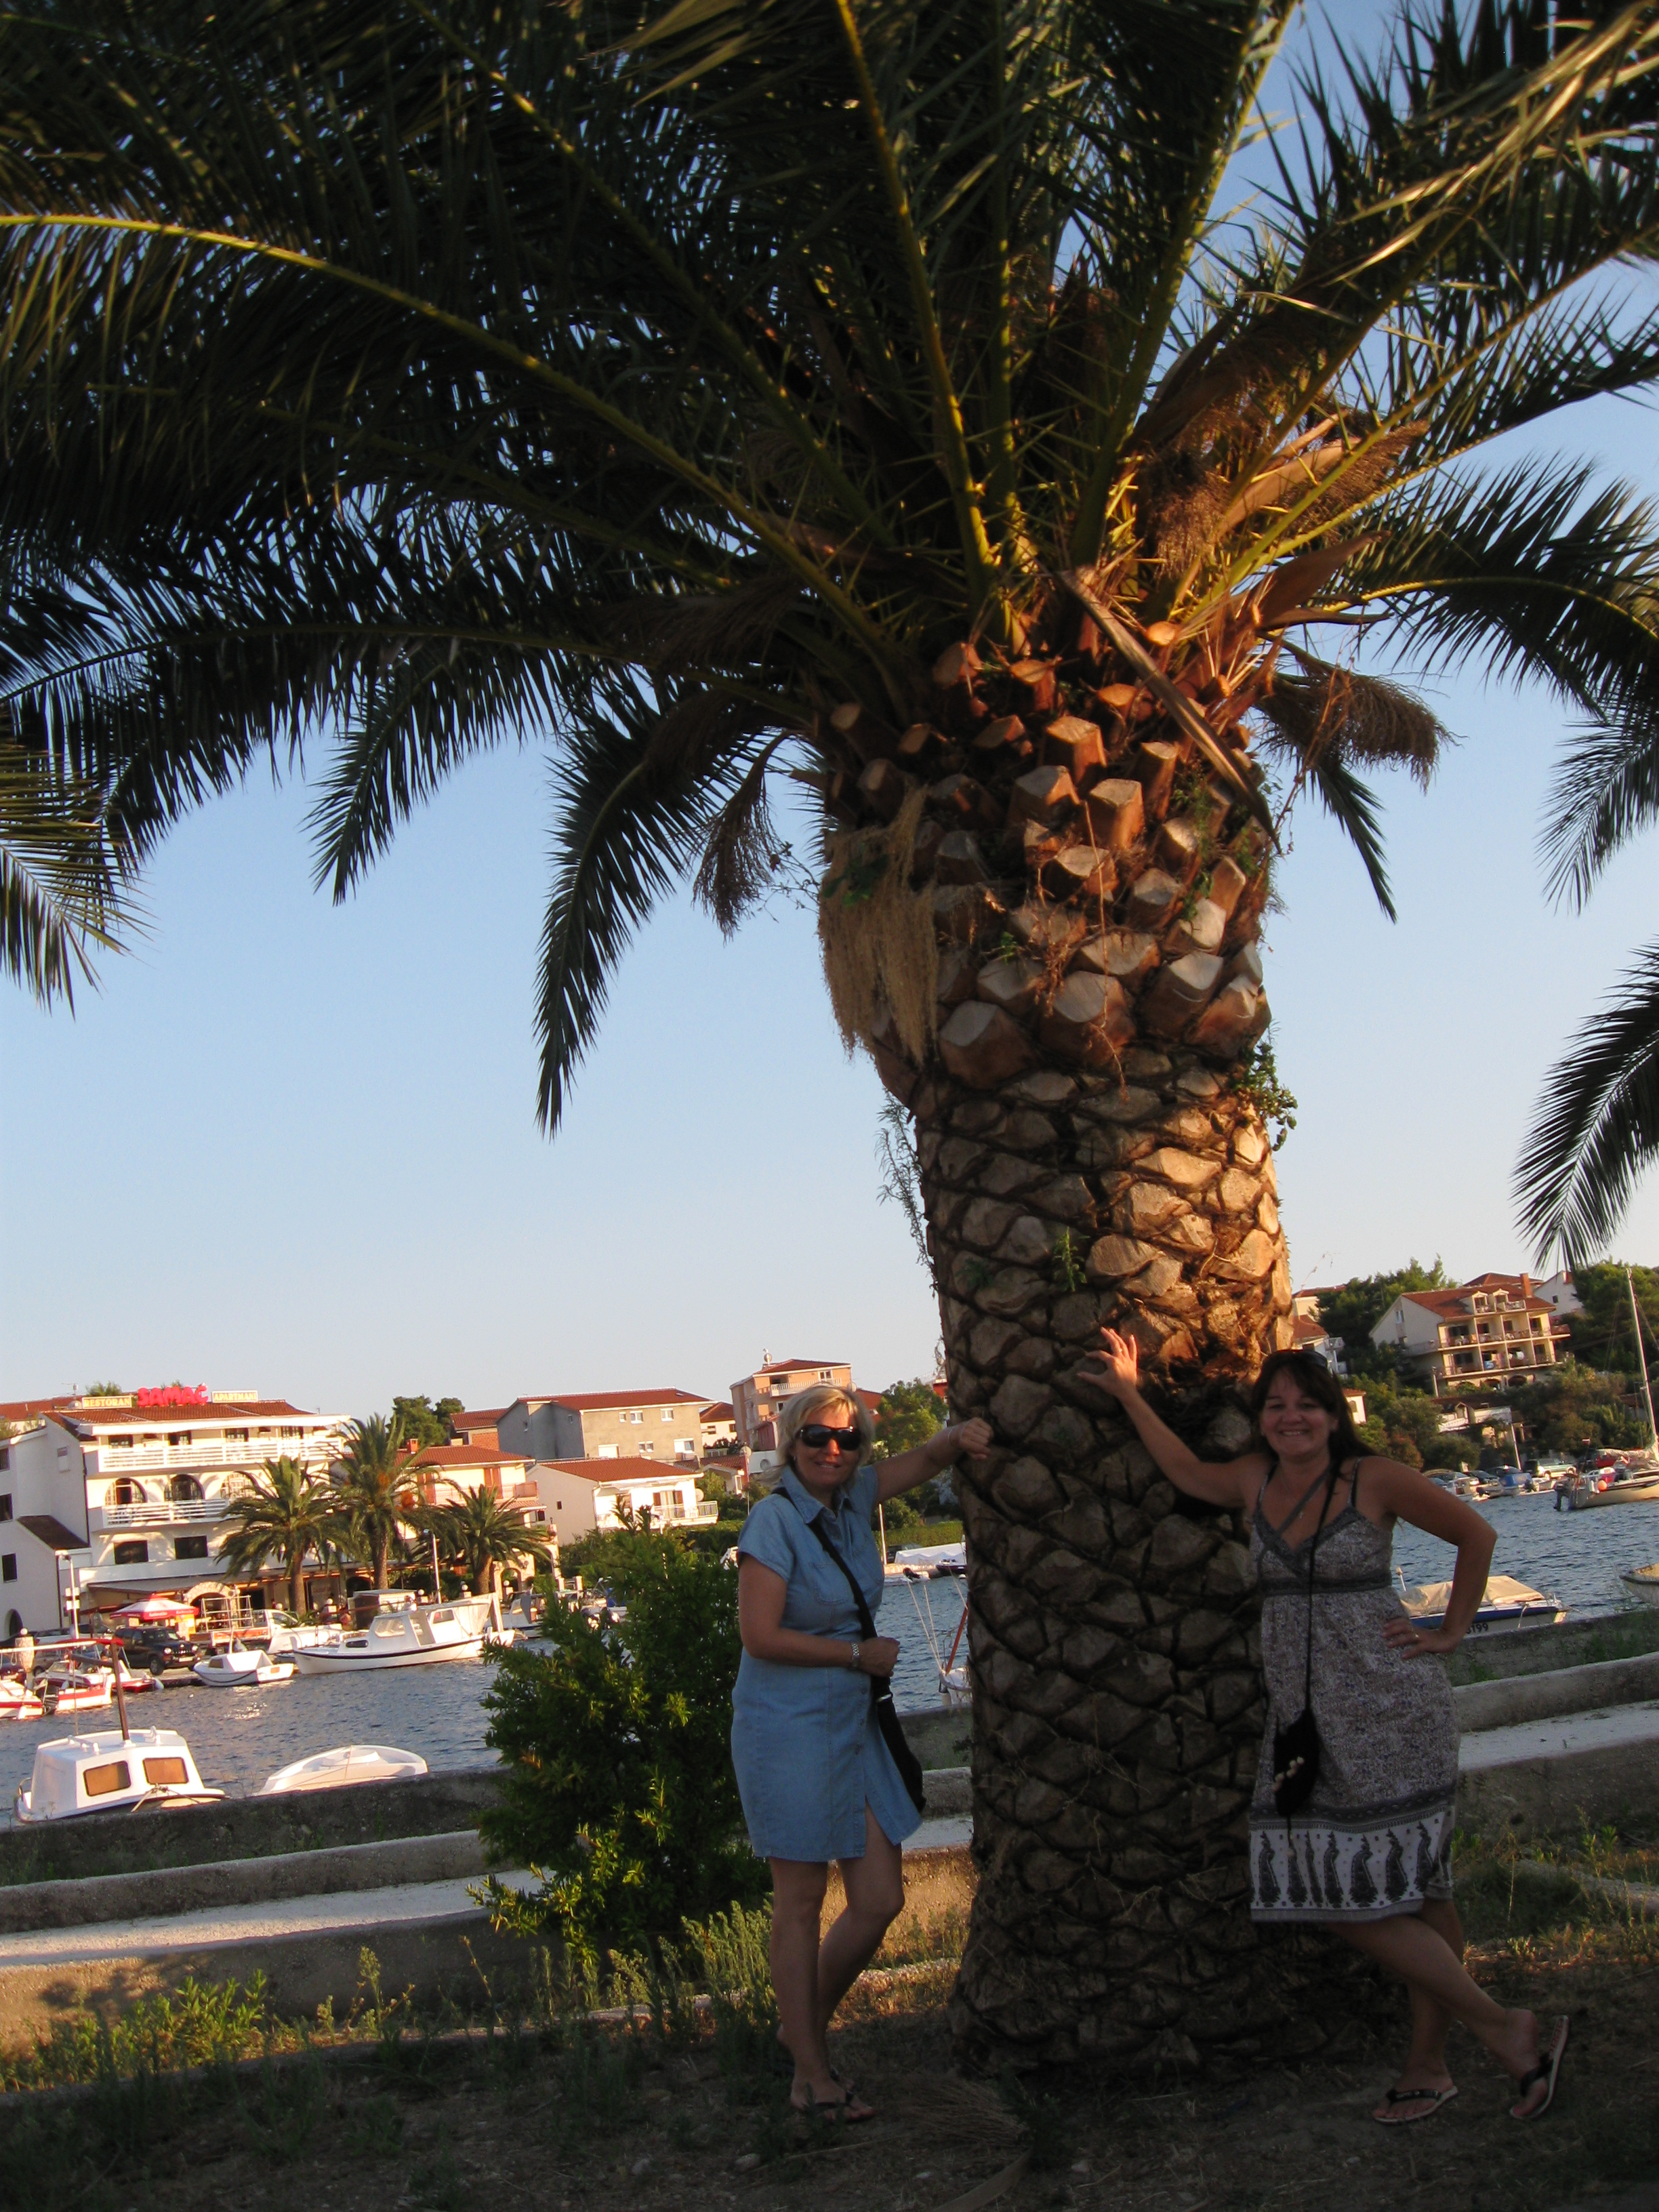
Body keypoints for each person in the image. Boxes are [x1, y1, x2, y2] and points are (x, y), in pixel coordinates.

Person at [1082, 1332, 1569, 2126]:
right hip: (1306, 1719)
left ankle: (1459, 2049)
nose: (1291, 1417)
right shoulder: (1253, 1478)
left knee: (1391, 1890)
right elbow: (1187, 1473)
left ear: (1333, 1415)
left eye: (1307, 1405)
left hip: (1391, 1710)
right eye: (1275, 1406)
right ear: (1260, 1420)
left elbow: (1476, 1536)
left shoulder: (1373, 1478)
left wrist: (1449, 1631)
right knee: (1367, 1887)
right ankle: (1470, 2044)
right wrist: (1130, 1394)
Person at [732, 1383, 991, 2118]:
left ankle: (798, 2028)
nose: (832, 1450)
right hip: (788, 1726)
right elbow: (760, 1636)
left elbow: (929, 1458)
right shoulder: (773, 1522)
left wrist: (963, 1435)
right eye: (817, 1437)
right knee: (800, 1902)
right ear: (791, 1443)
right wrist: (855, 1655)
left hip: (853, 1723)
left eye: (848, 1439)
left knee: (879, 1899)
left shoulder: (856, 1499)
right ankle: (811, 2077)